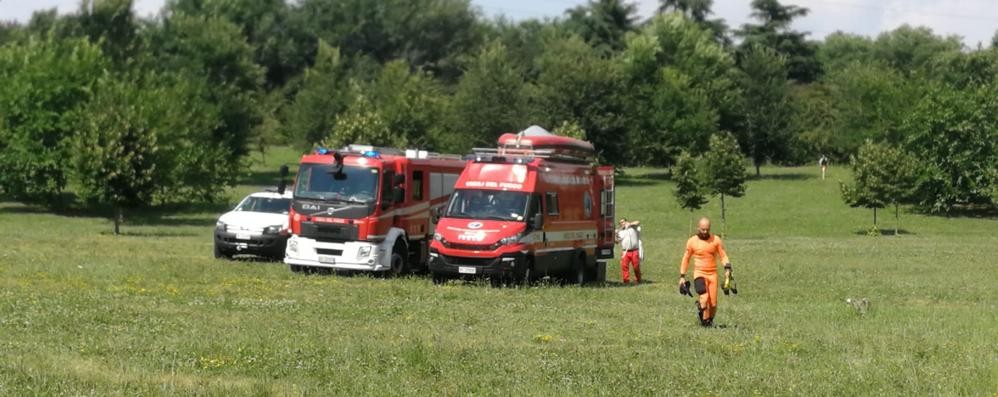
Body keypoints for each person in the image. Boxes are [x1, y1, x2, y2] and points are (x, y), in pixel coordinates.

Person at [678, 217, 733, 327]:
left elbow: (723, 256)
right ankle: (705, 323)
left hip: (713, 274)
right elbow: (686, 258)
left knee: (713, 304)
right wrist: (682, 276)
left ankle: (709, 320)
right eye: (703, 229)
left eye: (707, 229)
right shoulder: (692, 241)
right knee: (704, 298)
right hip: (699, 273)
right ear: (698, 228)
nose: (705, 232)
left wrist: (727, 269)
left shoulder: (716, 240)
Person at [616, 218, 642, 284]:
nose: (623, 223)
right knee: (624, 266)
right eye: (621, 223)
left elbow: (638, 221)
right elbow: (617, 242)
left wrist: (630, 224)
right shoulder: (621, 232)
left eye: (624, 221)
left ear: (626, 221)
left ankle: (638, 280)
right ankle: (626, 281)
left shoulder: (633, 228)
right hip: (625, 252)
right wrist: (615, 236)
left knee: (636, 266)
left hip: (634, 250)